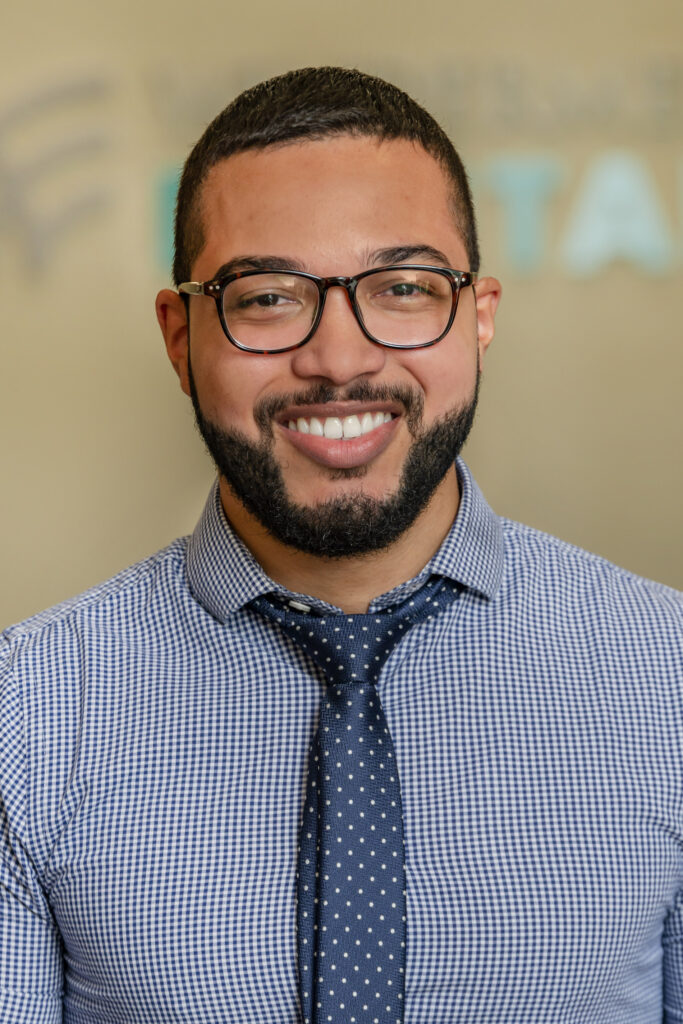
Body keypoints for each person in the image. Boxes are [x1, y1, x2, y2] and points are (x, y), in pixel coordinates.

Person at [0, 66, 681, 1024]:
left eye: (401, 287)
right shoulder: (25, 718)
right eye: (268, 296)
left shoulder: (669, 678)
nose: (339, 357)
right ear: (178, 335)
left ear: (479, 315)